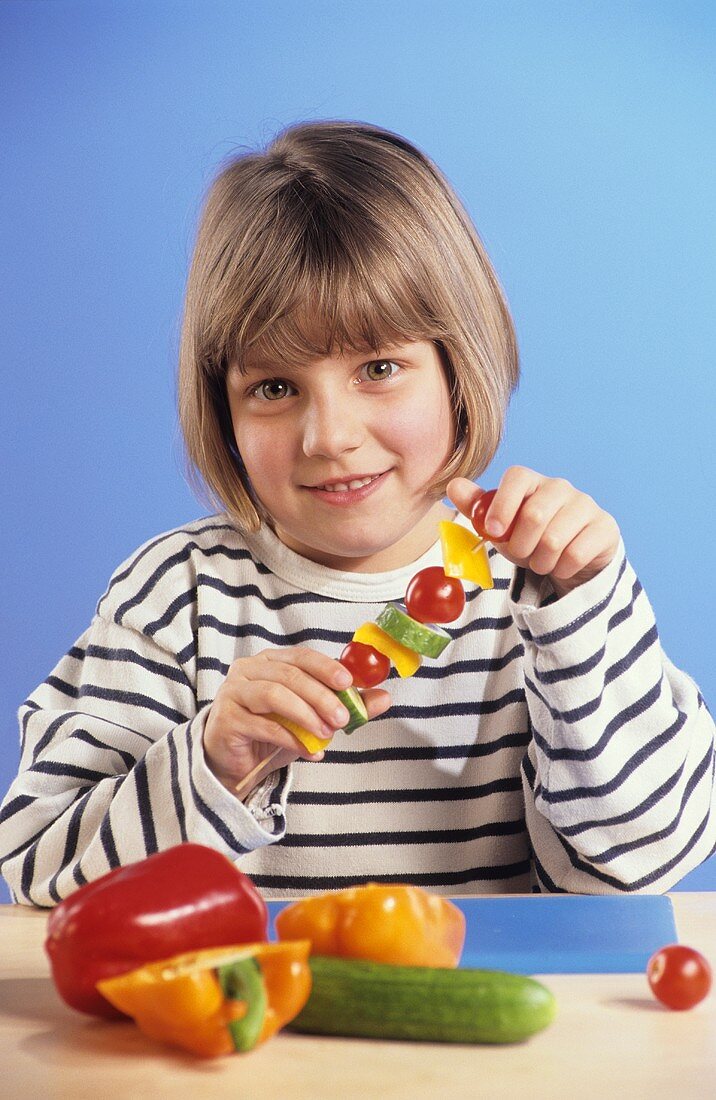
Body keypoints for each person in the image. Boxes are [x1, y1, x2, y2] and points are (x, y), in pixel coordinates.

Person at [1, 120, 713, 906]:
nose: (330, 437)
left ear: (457, 370)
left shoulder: (545, 590)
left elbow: (644, 863)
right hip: (255, 1023)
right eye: (274, 388)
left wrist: (581, 612)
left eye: (379, 368)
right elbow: (35, 867)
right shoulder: (178, 596)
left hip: (489, 1021)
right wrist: (213, 761)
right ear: (222, 410)